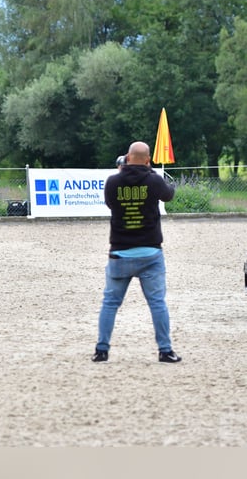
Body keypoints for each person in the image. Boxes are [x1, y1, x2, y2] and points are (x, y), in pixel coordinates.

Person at [93, 141, 182, 363]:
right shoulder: (153, 180)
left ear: (128, 157)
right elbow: (169, 195)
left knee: (110, 303)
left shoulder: (113, 181)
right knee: (157, 303)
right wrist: (149, 171)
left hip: (120, 252)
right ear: (148, 159)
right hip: (150, 253)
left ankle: (102, 350)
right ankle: (165, 350)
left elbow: (110, 204)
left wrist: (123, 171)